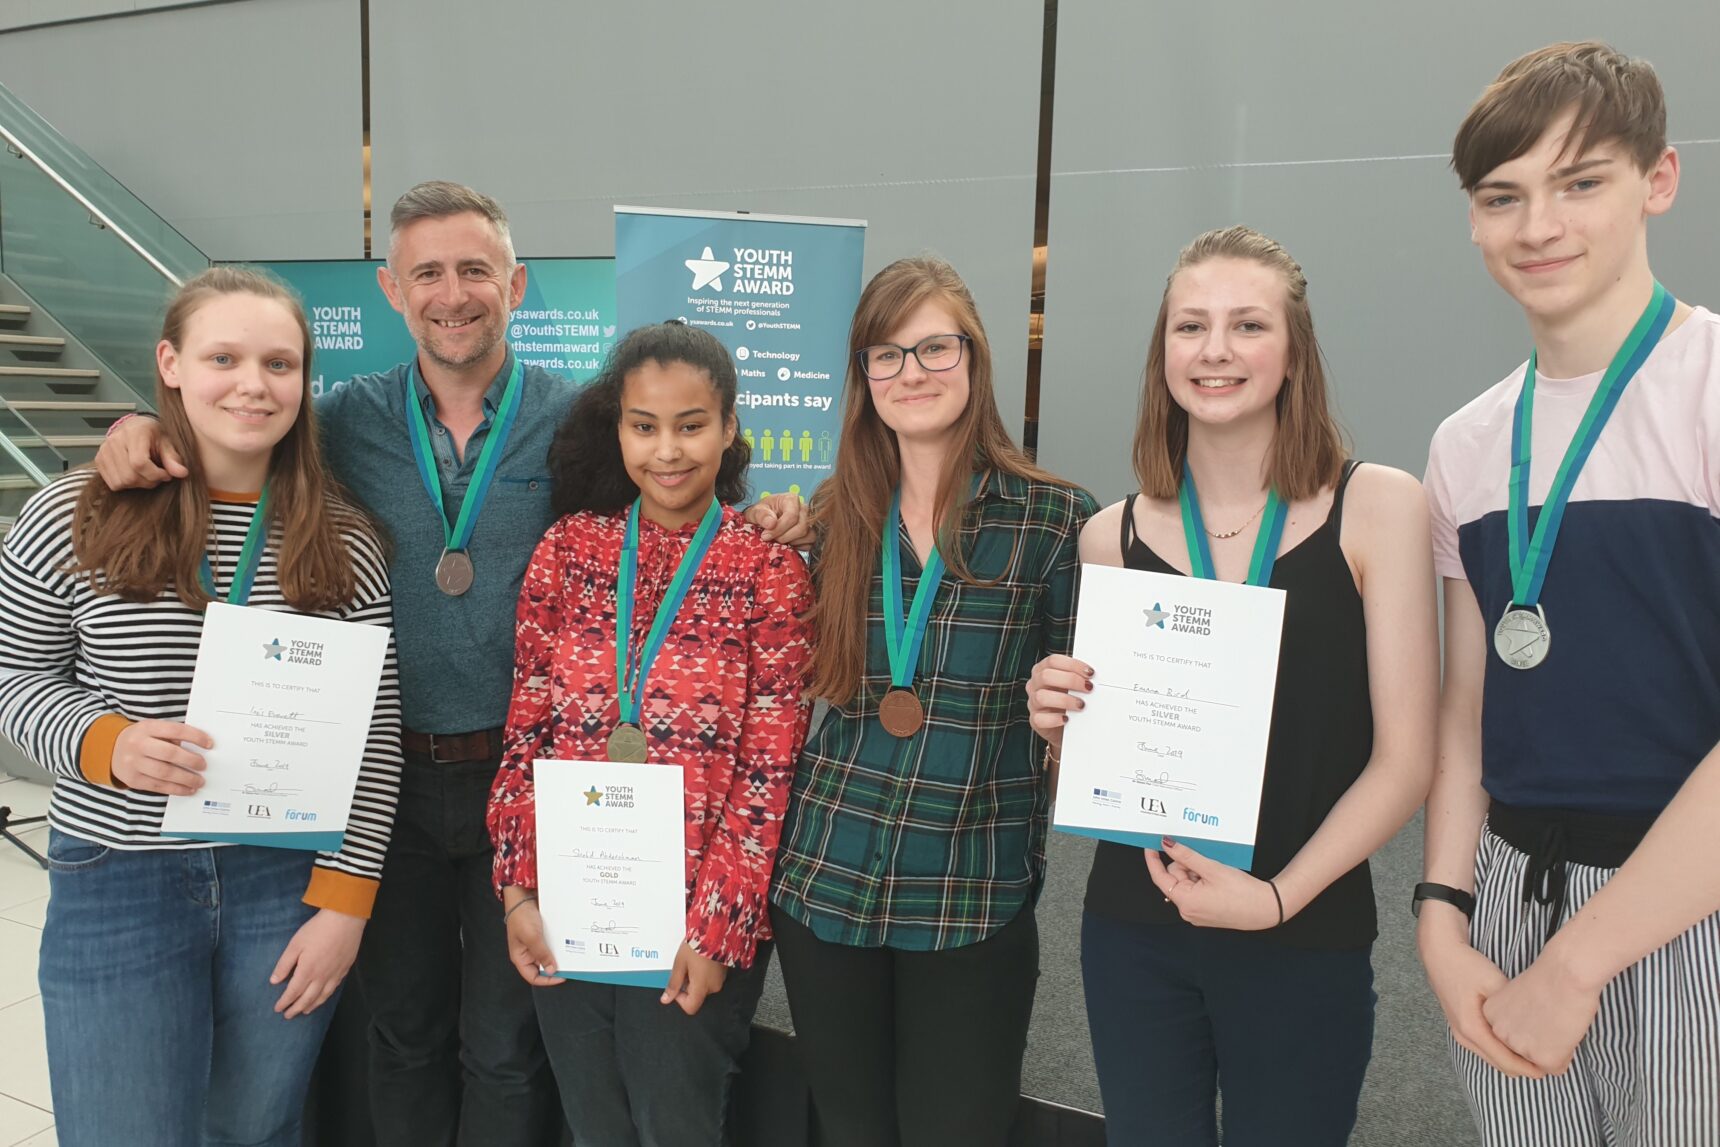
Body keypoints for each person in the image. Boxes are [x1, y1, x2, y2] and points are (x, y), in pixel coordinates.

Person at [90, 182, 811, 1146]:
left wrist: (771, 513)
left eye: (475, 268)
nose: (453, 291)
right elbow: (235, 424)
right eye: (427, 271)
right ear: (393, 289)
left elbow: (680, 496)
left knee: (510, 1043)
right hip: (384, 773)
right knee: (402, 1031)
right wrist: (140, 430)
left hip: (528, 775)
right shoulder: (341, 418)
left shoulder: (575, 417)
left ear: (514, 283)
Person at [1026, 225, 1438, 1146]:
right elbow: (1102, 776)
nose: (1214, 351)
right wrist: (1058, 729)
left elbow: (1408, 759)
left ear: (1294, 353)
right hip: (1136, 929)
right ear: (1161, 352)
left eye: (1247, 325)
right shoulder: (1110, 534)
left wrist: (1279, 895)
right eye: (1190, 327)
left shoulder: (1379, 506)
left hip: (1302, 923)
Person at [0, 266, 401, 1147]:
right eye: (224, 356)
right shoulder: (70, 514)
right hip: (116, 874)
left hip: (283, 883)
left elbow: (373, 742)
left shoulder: (345, 538)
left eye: (280, 363)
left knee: (256, 1130)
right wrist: (103, 741)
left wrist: (345, 902)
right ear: (170, 363)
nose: (254, 384)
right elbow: (15, 681)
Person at [1419, 42, 1720, 1145]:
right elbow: (1466, 709)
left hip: (1690, 908)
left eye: (1579, 181)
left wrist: (1580, 961)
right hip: (1509, 896)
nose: (1537, 225)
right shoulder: (1465, 443)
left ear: (1659, 180)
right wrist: (1442, 919)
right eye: (1503, 196)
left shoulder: (1710, 388)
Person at [766, 255, 1097, 1147]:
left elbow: (1091, 737)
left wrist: (1065, 725)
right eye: (887, 354)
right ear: (864, 378)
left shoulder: (1054, 520)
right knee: (851, 1129)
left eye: (934, 347)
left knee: (961, 1129)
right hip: (826, 877)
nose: (912, 372)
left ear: (976, 357)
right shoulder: (833, 517)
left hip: (969, 886)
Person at [487, 321, 812, 1145]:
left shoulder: (768, 568)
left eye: (691, 423)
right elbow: (526, 733)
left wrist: (716, 928)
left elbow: (769, 770)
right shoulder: (569, 552)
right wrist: (519, 890)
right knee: (595, 1127)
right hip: (572, 903)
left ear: (731, 425)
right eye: (644, 425)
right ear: (619, 428)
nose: (667, 450)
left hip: (692, 921)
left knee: (678, 1126)